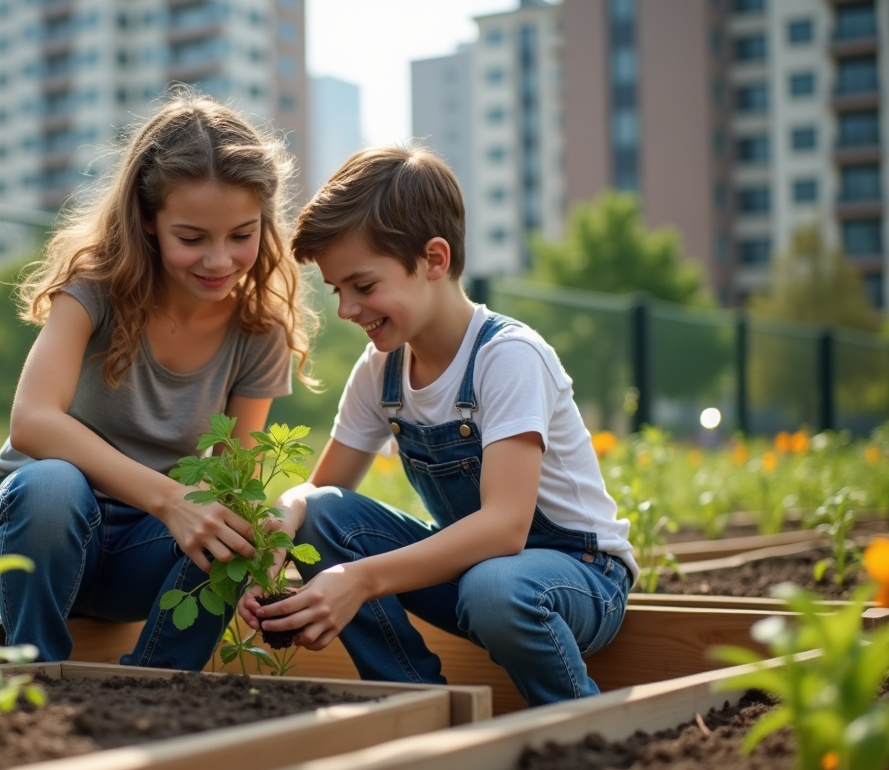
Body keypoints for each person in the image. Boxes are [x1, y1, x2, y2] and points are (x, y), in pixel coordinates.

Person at [239, 146, 637, 707]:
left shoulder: (509, 357)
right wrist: (283, 522)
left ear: (434, 259)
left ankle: (574, 719)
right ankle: (419, 704)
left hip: (579, 579)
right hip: (478, 579)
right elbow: (323, 491)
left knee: (496, 586)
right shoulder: (382, 370)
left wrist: (359, 580)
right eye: (337, 291)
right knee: (325, 515)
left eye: (364, 285)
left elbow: (504, 529)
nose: (347, 309)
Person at [0, 91, 313, 667]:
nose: (219, 260)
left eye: (241, 235)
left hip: (144, 557)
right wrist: (171, 500)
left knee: (230, 533)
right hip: (35, 540)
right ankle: (33, 676)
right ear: (148, 222)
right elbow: (32, 422)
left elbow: (237, 479)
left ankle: (152, 693)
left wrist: (260, 555)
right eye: (192, 237)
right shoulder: (94, 289)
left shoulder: (259, 332)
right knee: (54, 485)